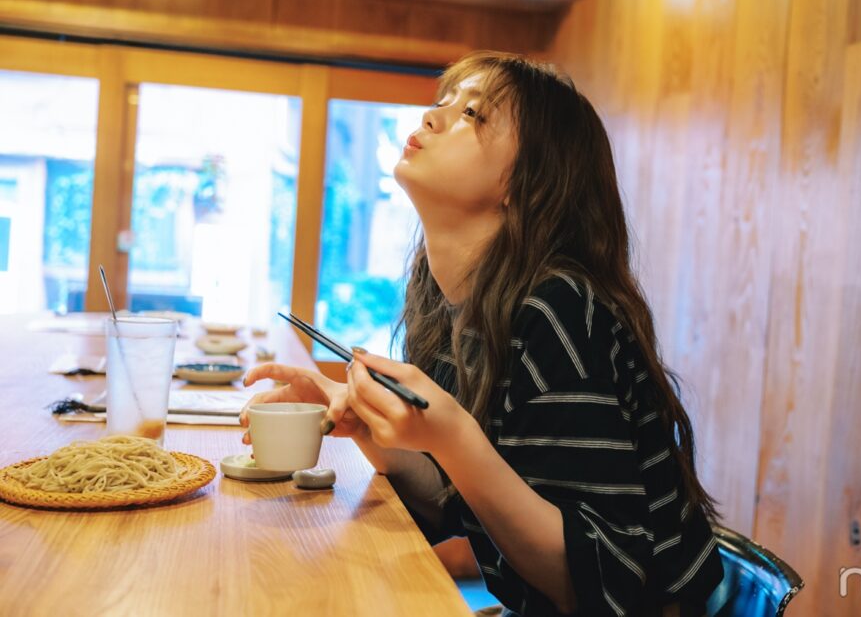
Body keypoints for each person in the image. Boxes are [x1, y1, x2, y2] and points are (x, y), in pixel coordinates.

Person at [240, 50, 724, 616]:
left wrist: (451, 437)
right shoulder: (450, 301)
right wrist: (366, 426)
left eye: (473, 114)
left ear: (526, 184)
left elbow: (606, 585)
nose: (431, 118)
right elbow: (459, 504)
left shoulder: (557, 309)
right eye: (441, 102)